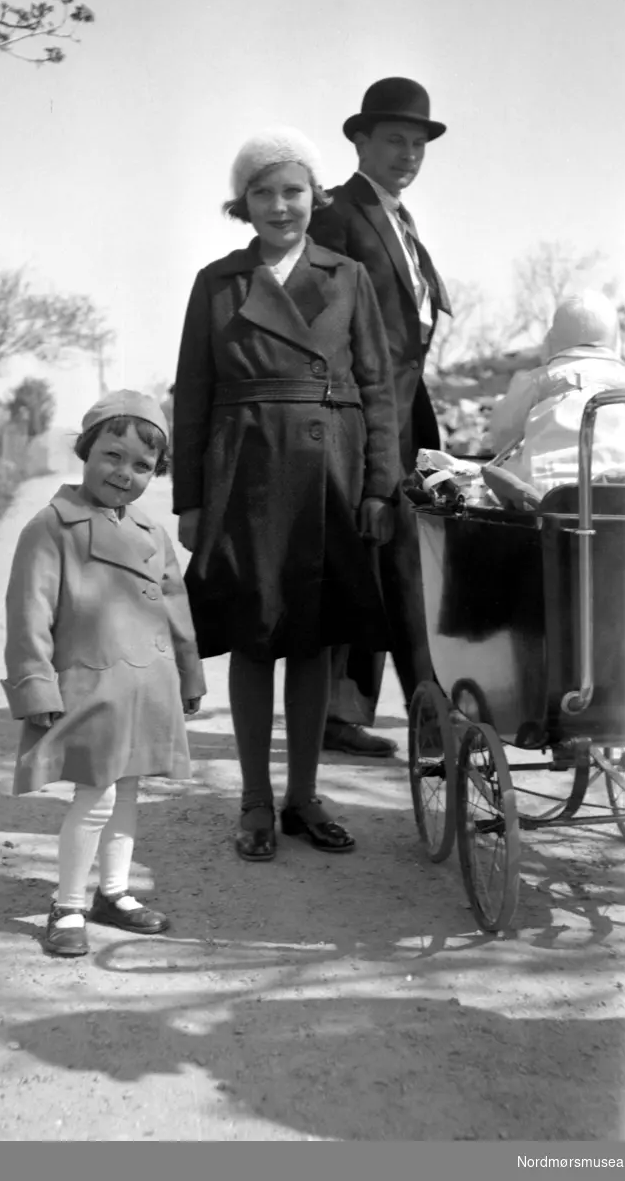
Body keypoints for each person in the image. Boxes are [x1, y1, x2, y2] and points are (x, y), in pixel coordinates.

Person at [172, 127, 402, 861]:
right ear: (242, 203)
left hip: (330, 475)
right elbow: (194, 396)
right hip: (246, 472)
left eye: (293, 191)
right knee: (252, 637)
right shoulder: (217, 283)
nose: (280, 206)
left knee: (313, 640)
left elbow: (378, 389)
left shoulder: (349, 276)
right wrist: (191, 499)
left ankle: (303, 797)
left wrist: (379, 486)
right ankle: (253, 802)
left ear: (315, 197)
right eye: (263, 192)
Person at [2, 390, 206, 958]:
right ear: (85, 452)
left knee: (128, 795)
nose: (125, 473)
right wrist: (34, 684)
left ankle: (112, 893)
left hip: (146, 685)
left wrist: (189, 675)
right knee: (94, 796)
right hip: (91, 686)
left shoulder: (150, 533)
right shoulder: (51, 528)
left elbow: (174, 606)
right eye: (112, 455)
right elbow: (29, 615)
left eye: (143, 465)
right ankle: (68, 904)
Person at [307, 77, 452, 756]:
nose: (408, 153)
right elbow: (321, 324)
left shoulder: (399, 220)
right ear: (360, 141)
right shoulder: (335, 213)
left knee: (381, 555)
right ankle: (425, 716)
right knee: (393, 563)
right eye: (394, 139)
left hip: (403, 416)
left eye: (418, 143)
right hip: (362, 417)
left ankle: (345, 709)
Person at [490, 290, 625, 495]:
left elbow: (501, 438)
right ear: (615, 338)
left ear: (553, 336)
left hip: (544, 497)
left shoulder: (537, 381)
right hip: (618, 497)